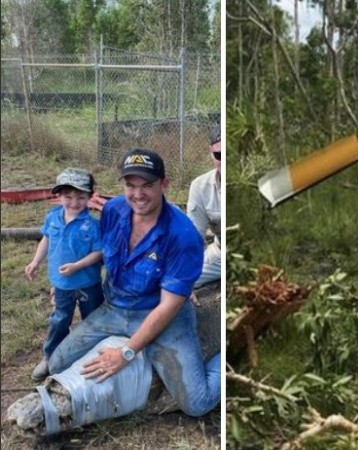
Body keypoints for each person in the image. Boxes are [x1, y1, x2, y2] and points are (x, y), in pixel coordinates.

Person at [48, 148, 221, 417]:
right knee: (56, 365)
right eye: (130, 185)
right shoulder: (114, 210)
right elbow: (102, 256)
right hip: (115, 307)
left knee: (198, 403)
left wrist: (126, 352)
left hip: (161, 314)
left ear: (164, 184)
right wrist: (62, 283)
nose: (137, 195)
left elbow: (167, 307)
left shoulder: (183, 235)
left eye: (147, 186)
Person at [25, 168, 104, 381]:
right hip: (62, 283)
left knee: (92, 317)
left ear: (90, 196)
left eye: (80, 197)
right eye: (68, 197)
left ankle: (93, 352)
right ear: (59, 196)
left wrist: (78, 266)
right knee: (60, 319)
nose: (74, 202)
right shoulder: (53, 218)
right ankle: (50, 356)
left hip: (88, 282)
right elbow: (46, 240)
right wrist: (35, 262)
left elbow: (99, 252)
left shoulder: (92, 225)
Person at [187, 124, 221, 288]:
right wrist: (183, 281)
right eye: (219, 154)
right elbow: (194, 237)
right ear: (211, 152)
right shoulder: (200, 186)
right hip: (219, 256)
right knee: (174, 282)